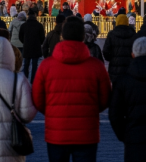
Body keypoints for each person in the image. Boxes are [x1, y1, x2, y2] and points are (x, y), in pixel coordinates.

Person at [33, 17, 111, 161]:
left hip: (57, 131)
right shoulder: (96, 66)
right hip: (86, 131)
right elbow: (105, 98)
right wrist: (91, 109)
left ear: (63, 35)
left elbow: (37, 99)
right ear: (83, 36)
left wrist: (52, 110)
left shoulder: (46, 65)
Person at [103, 14, 136, 83]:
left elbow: (106, 51)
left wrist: (112, 58)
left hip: (115, 68)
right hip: (129, 67)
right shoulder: (133, 34)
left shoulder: (111, 34)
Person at [18, 11, 45, 80]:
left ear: (28, 16)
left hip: (27, 47)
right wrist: (39, 43)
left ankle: (25, 78)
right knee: (34, 65)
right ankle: (33, 79)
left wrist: (24, 42)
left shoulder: (24, 25)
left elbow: (20, 36)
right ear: (35, 16)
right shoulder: (39, 25)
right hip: (36, 47)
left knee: (26, 64)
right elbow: (42, 37)